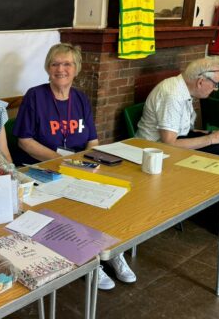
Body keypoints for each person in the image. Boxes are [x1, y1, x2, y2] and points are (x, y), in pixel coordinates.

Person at [13, 43, 136, 290]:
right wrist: (63, 163)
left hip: (79, 166)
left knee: (109, 197)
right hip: (44, 169)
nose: (61, 69)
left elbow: (92, 141)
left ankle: (112, 251)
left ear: (76, 68)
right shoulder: (35, 96)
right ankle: (91, 260)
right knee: (76, 205)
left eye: (67, 63)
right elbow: (24, 142)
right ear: (48, 68)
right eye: (55, 64)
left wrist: (90, 165)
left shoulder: (80, 98)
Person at [136, 57, 219, 247]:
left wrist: (213, 134)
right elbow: (168, 143)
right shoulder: (173, 94)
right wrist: (211, 139)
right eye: (215, 84)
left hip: (170, 143)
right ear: (201, 81)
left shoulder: (184, 89)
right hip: (156, 152)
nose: (216, 88)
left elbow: (181, 131)